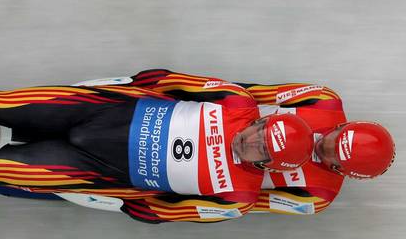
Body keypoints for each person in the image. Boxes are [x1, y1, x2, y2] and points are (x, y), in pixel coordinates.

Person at [0, 75, 313, 224]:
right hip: (98, 113)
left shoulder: (240, 197)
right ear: (265, 119)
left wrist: (116, 192)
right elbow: (163, 80)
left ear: (267, 165)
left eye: (258, 151)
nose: (249, 141)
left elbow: (161, 213)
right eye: (258, 131)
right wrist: (117, 91)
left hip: (95, 166)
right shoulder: (237, 101)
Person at [97, 69, 395, 215]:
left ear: (340, 171)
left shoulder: (318, 196)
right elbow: (252, 93)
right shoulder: (323, 101)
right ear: (342, 125)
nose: (322, 144)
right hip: (229, 127)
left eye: (331, 155)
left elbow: (254, 203)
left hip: (212, 173)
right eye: (333, 137)